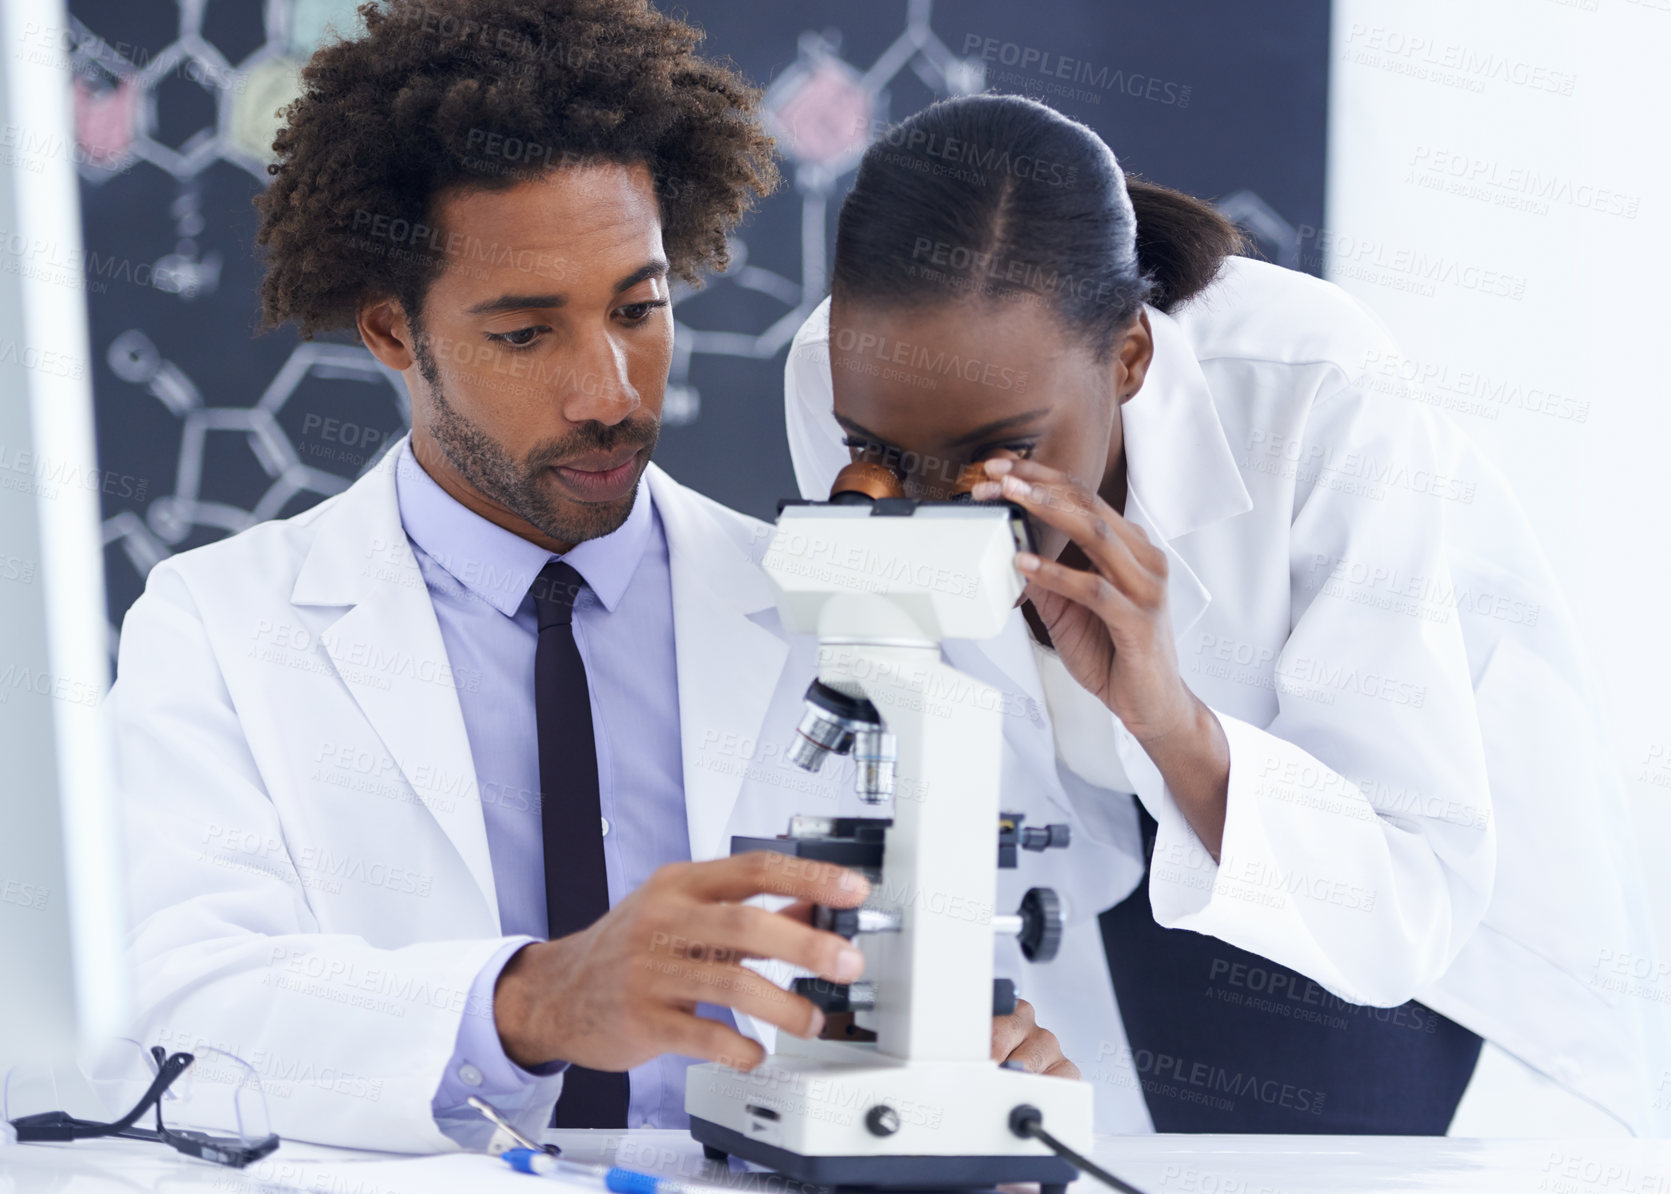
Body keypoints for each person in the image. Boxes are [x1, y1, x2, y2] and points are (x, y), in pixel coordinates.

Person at [105, 2, 1075, 1154]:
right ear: (388, 333)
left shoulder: (837, 603)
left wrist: (974, 1045)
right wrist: (536, 1001)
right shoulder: (218, 626)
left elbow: (972, 935)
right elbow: (175, 1010)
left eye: (639, 309)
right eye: (525, 335)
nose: (609, 392)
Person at [784, 93, 1667, 1134]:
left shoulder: (1315, 391)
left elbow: (1395, 904)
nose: (932, 501)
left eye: (1001, 450)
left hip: (1382, 902)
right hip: (1091, 874)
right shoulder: (848, 381)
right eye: (884, 456)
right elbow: (919, 715)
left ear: (1127, 358)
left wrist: (1169, 719)